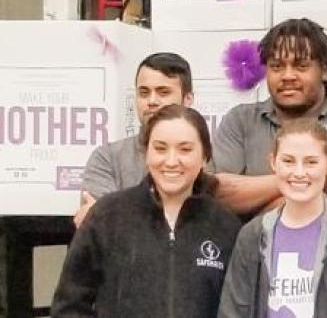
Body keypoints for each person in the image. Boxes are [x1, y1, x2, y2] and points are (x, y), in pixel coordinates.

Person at [52, 105, 241, 317]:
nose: (171, 161)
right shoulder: (107, 217)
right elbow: (69, 306)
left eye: (185, 149)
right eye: (160, 148)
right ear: (146, 153)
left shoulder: (226, 227)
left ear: (205, 157)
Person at [218, 118, 327, 317]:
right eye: (288, 161)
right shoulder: (253, 234)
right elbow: (233, 311)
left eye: (311, 162)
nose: (299, 173)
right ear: (272, 162)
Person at [212, 18, 327, 215]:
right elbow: (219, 196)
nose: (288, 76)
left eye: (301, 66)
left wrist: (252, 198)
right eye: (276, 67)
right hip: (249, 245)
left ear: (324, 71)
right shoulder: (239, 120)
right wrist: (306, 181)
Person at [74, 52, 194, 227]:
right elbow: (99, 231)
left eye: (163, 92)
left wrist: (111, 214)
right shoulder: (108, 158)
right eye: (144, 93)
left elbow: (200, 223)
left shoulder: (204, 158)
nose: (152, 101)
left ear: (188, 99)